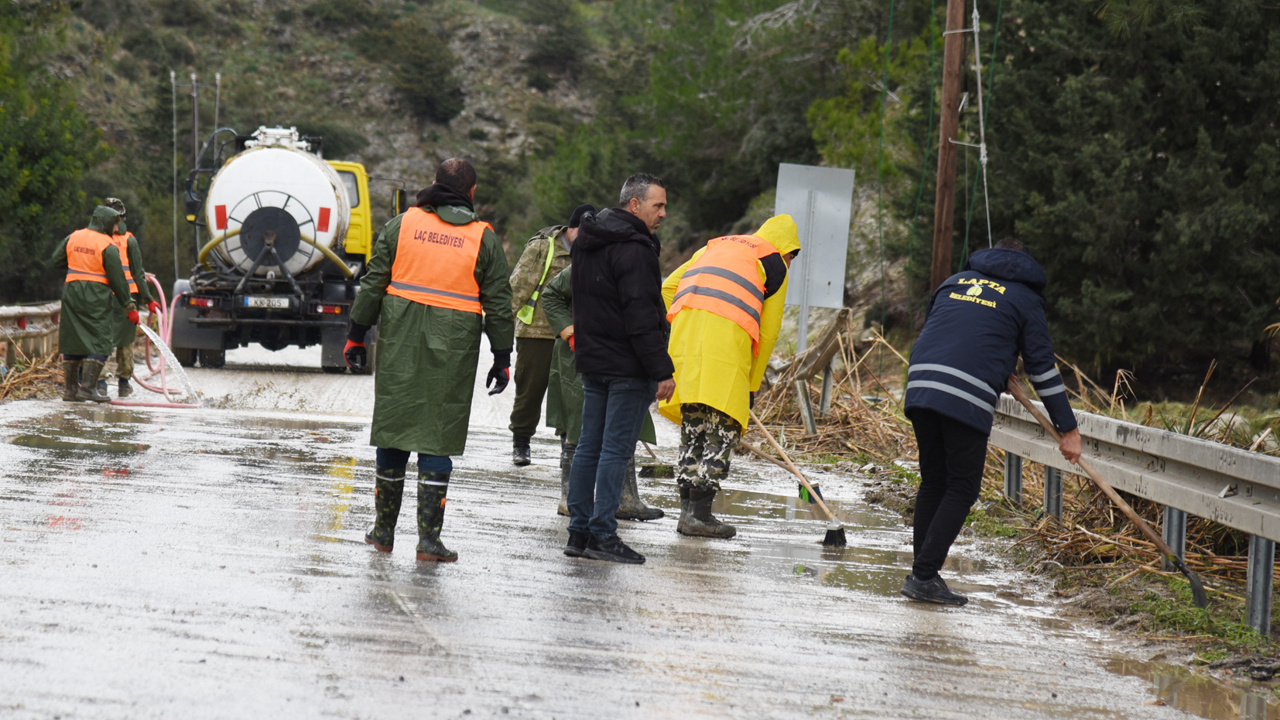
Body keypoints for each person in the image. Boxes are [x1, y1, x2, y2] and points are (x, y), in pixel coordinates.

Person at [345, 158, 515, 563]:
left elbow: (373, 282)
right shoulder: (482, 238)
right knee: (438, 433)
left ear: (434, 185)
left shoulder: (402, 224)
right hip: (453, 346)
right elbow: (500, 304)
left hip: (401, 339)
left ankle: (383, 532)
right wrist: (502, 355)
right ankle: (428, 542)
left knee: (394, 428)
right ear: (472, 194)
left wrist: (356, 334)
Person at [902, 238, 1081, 606]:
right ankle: (923, 575)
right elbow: (1042, 370)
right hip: (962, 395)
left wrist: (1000, 369)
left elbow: (955, 335)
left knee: (935, 479)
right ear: (1025, 265)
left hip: (920, 384)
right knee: (963, 486)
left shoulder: (955, 282)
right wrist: (1069, 429)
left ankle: (923, 572)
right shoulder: (1025, 299)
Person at [659, 215, 801, 539]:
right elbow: (768, 334)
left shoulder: (716, 245)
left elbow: (668, 287)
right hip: (725, 348)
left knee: (693, 426)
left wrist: (676, 328)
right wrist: (752, 385)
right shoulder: (774, 263)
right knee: (722, 430)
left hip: (685, 343)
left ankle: (686, 513)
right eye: (792, 256)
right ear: (787, 249)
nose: (790, 263)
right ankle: (701, 515)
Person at [564, 173, 675, 564]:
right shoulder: (635, 248)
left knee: (588, 447)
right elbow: (641, 316)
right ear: (634, 205)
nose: (663, 213)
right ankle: (603, 535)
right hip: (626, 366)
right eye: (657, 205)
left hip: (594, 362)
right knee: (614, 449)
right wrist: (662, 370)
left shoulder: (587, 242)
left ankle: (579, 532)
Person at [542, 262, 664, 521]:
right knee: (578, 427)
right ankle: (570, 500)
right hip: (580, 355)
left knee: (622, 428)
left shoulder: (638, 258)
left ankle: (626, 500)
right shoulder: (586, 263)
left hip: (620, 356)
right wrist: (570, 332)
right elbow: (551, 295)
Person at [506, 204, 587, 466]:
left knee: (570, 394)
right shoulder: (544, 247)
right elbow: (519, 286)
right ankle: (521, 441)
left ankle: (568, 445)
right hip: (536, 332)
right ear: (572, 229)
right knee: (530, 391)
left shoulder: (590, 251)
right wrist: (503, 329)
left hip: (570, 335)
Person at [51, 205, 138, 403]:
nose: (116, 229)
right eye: (114, 224)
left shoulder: (74, 236)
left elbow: (56, 260)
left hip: (72, 292)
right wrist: (129, 306)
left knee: (72, 338)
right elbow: (118, 280)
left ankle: (71, 391)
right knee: (101, 339)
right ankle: (89, 388)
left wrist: (78, 264)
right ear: (105, 222)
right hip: (95, 296)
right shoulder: (107, 245)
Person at [103, 198, 161, 398]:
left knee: (101, 337)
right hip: (127, 298)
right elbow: (138, 272)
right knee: (125, 341)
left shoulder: (96, 239)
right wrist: (148, 298)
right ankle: (124, 383)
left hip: (103, 296)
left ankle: (99, 382)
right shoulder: (129, 240)